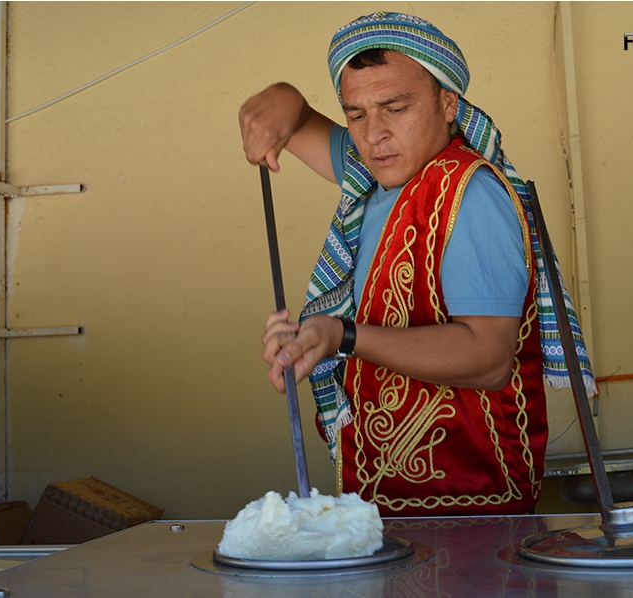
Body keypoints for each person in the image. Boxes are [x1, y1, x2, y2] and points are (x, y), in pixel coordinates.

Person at [240, 12, 594, 516]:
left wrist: (341, 335)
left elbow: (490, 359)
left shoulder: (469, 195)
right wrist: (279, 97)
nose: (374, 134)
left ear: (447, 103)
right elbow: (293, 120)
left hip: (470, 508)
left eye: (395, 107)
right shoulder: (378, 176)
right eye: (355, 114)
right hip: (392, 504)